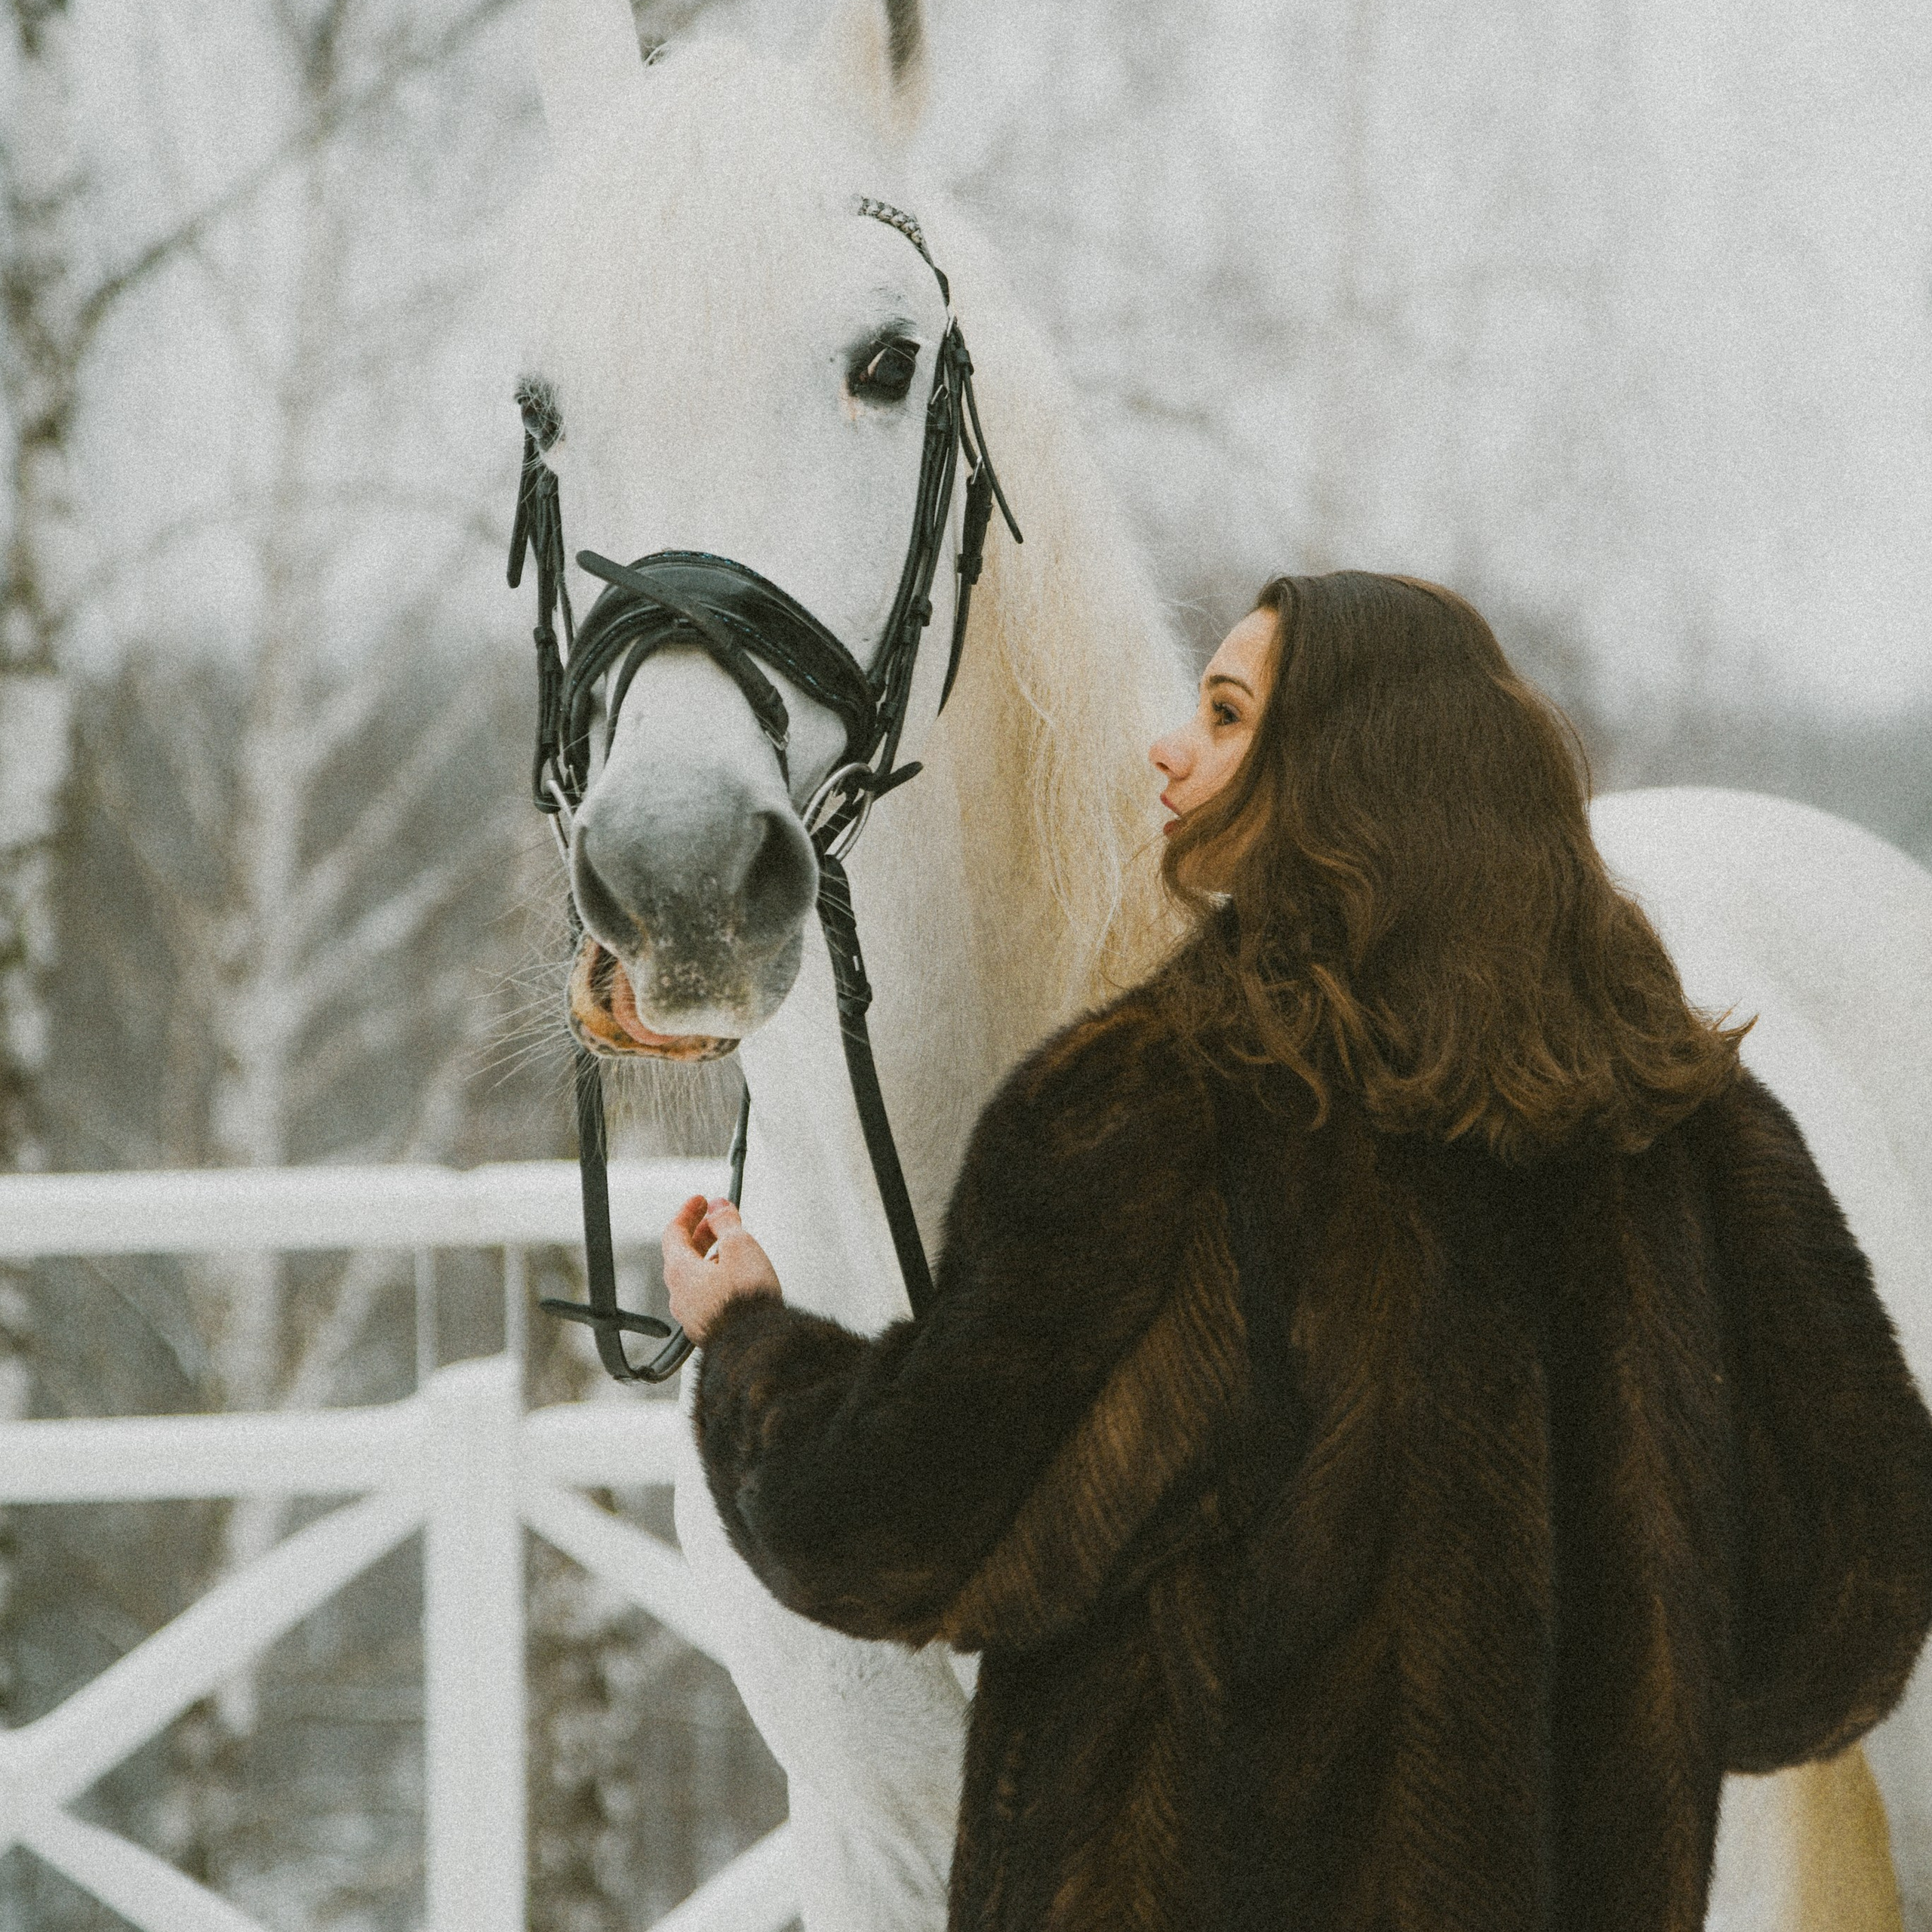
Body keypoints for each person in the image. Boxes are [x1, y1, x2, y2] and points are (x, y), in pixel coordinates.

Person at [662, 572, 1932, 1932]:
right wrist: (1613, 1706)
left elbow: (902, 1517)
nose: (1168, 747)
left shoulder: (1156, 1103)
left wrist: (747, 1342)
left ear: (1346, 768)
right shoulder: (1685, 1128)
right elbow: (1850, 1602)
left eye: (1222, 715)